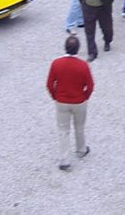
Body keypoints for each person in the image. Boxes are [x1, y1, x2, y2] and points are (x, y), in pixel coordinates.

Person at [47, 35, 93, 171]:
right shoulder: (83, 66)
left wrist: (55, 96)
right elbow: (90, 85)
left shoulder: (56, 64)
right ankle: (81, 149)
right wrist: (85, 97)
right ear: (78, 49)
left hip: (61, 101)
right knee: (79, 126)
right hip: (79, 100)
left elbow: (50, 84)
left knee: (63, 130)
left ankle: (64, 160)